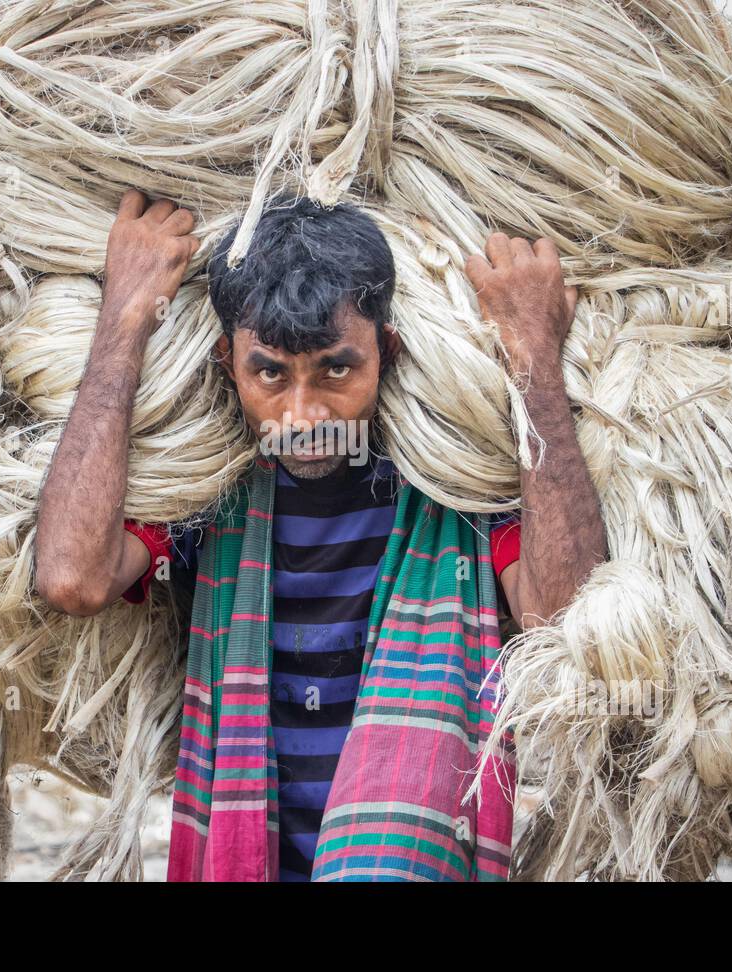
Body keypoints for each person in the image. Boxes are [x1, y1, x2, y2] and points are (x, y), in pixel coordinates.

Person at [34, 188, 607, 881]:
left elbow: (566, 617)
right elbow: (72, 575)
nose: (302, 414)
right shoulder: (213, 492)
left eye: (336, 369)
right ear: (227, 363)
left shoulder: (451, 484)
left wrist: (534, 360)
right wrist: (124, 322)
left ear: (386, 351)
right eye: (269, 373)